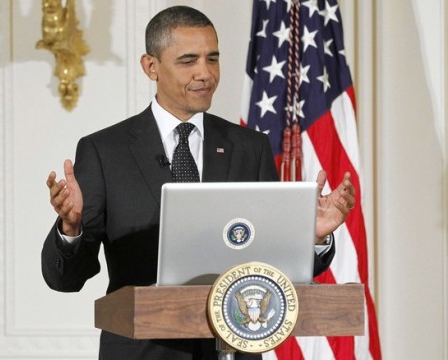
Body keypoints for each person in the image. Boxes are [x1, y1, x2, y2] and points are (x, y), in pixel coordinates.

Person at [42, 5, 356, 360]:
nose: (205, 73)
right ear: (151, 67)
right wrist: (71, 228)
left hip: (233, 350)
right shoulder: (104, 151)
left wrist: (311, 237)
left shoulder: (249, 147)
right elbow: (66, 279)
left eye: (213, 58)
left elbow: (277, 270)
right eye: (188, 60)